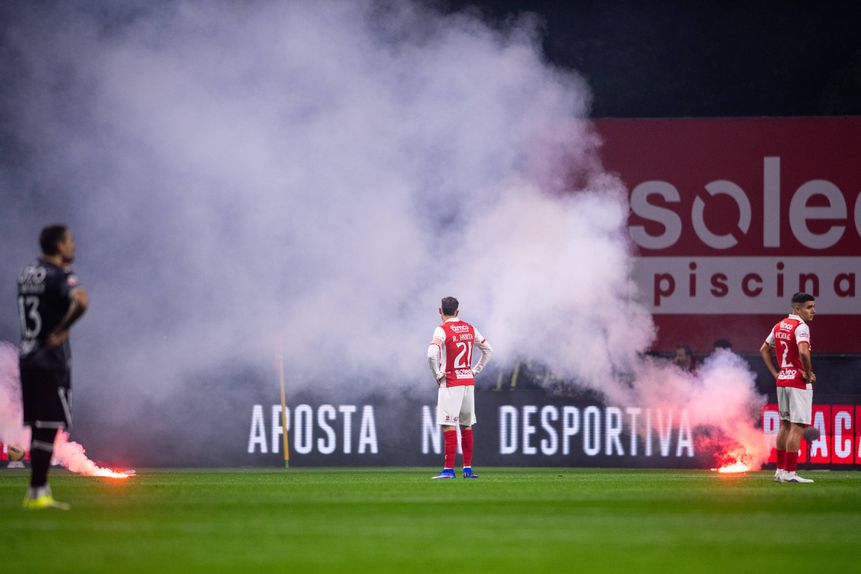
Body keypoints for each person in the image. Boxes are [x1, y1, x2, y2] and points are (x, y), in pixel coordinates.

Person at [17, 225, 89, 509]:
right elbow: (81, 300)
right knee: (48, 425)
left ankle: (38, 490)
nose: (73, 245)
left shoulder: (27, 273)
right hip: (49, 359)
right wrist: (63, 329)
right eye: (70, 241)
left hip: (28, 355)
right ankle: (37, 492)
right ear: (59, 245)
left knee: (38, 425)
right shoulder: (58, 274)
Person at [427, 296, 492, 479]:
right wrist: (475, 370)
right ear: (457, 312)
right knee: (466, 425)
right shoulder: (470, 329)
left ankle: (448, 470)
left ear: (440, 311)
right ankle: (468, 469)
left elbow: (432, 354)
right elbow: (488, 350)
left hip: (451, 382)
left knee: (448, 425)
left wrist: (437, 374)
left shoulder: (442, 330)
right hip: (467, 383)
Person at [759, 292, 816, 484]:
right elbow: (803, 351)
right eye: (809, 307)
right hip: (797, 382)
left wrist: (776, 373)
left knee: (784, 425)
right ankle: (790, 473)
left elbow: (763, 349)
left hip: (782, 380)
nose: (813, 311)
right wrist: (807, 373)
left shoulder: (779, 325)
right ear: (797, 309)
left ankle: (780, 471)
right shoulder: (801, 327)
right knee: (797, 427)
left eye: (813, 307)